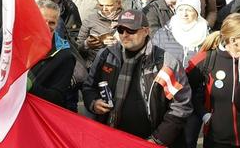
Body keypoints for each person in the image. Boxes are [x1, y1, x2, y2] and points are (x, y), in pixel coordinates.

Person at [82, 9, 192, 146]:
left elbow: (181, 105)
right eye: (120, 30)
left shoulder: (164, 62)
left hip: (150, 140)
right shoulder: (106, 55)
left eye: (131, 30)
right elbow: (88, 86)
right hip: (110, 137)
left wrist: (158, 140)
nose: (124, 35)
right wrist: (94, 102)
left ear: (146, 31)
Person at [186, 13, 240, 147]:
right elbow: (184, 91)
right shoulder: (205, 59)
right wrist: (204, 114)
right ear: (233, 40)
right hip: (216, 140)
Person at [27, 0, 75, 107]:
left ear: (57, 24)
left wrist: (30, 85)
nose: (46, 26)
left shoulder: (65, 56)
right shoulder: (20, 45)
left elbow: (56, 98)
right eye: (42, 21)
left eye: (52, 23)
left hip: (39, 114)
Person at [77, 0, 124, 64]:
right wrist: (87, 44)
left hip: (118, 64)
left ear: (118, 3)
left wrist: (119, 44)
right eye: (101, 5)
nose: (104, 9)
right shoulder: (90, 19)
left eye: (109, 5)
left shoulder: (127, 20)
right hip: (93, 64)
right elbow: (78, 47)